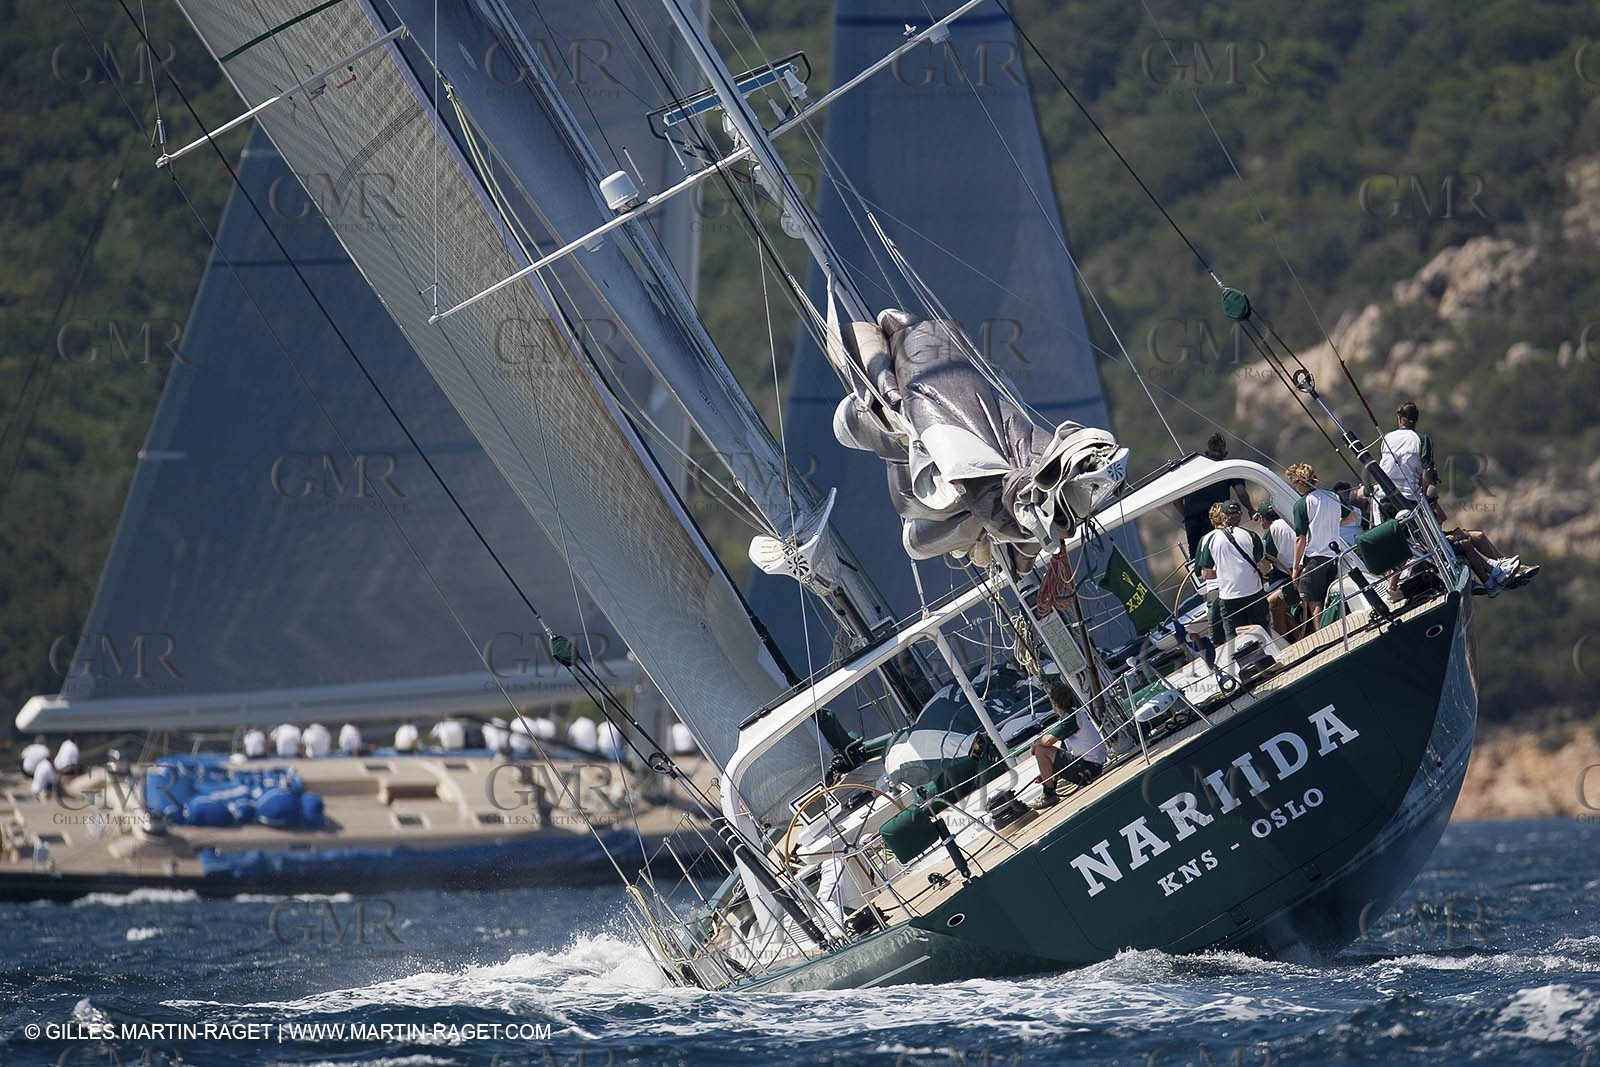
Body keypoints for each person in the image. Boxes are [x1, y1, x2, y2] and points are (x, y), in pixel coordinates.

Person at [1287, 463, 1354, 632]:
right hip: (1334, 555)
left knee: (1314, 600)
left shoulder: (1301, 505)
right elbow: (1352, 517)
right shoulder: (1333, 496)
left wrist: (1295, 569)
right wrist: (1332, 525)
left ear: (1299, 483)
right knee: (1330, 596)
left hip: (1314, 557)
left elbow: (1300, 539)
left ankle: (1322, 634)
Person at [1196, 500, 1271, 640]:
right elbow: (1265, 567)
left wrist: (1225, 572)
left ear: (1223, 516)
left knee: (1235, 640)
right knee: (1263, 632)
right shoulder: (1251, 535)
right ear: (1240, 515)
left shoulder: (1210, 540)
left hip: (1229, 597)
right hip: (1254, 592)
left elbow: (1206, 574)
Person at [1176, 434, 1254, 559]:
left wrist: (1187, 516)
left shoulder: (1191, 469)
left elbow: (1176, 500)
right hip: (1217, 518)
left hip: (1193, 521)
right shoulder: (1227, 467)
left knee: (1198, 557)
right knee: (1222, 553)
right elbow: (1241, 493)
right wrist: (1251, 509)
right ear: (1224, 451)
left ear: (1208, 449)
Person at [1030, 682, 1106, 808]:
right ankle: (1049, 789)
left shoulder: (1070, 718)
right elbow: (1062, 755)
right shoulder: (1074, 715)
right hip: (1089, 767)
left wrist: (1035, 744)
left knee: (1041, 749)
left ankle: (1049, 795)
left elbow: (1047, 742)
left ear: (1054, 703)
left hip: (1088, 768)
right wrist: (1047, 773)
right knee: (1044, 750)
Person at [1376, 401, 1436, 513]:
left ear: (1399, 418)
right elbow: (1428, 469)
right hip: (1410, 499)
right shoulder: (1422, 439)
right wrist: (1425, 491)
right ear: (1416, 420)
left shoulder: (1387, 438)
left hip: (1384, 496)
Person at [1255, 504, 1304, 637]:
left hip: (1291, 576)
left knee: (1272, 603)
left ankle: (1284, 641)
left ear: (1264, 518)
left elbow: (1266, 562)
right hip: (1302, 570)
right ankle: (1299, 636)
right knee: (1281, 605)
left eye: (1259, 518)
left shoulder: (1273, 529)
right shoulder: (1289, 521)